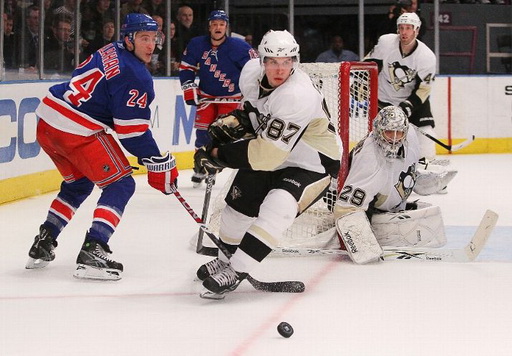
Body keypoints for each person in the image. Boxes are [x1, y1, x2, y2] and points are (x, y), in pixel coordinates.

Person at [25, 14, 179, 281]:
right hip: (75, 127)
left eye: (154, 38)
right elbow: (132, 133)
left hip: (48, 117)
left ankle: (45, 240)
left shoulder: (110, 48)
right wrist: (158, 160)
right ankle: (94, 249)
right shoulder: (137, 76)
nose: (151, 45)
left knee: (79, 184)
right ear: (129, 39)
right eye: (144, 38)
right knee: (121, 184)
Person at [193, 30, 341, 298]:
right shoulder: (250, 73)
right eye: (273, 61)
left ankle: (236, 270)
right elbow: (254, 114)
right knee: (235, 209)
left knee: (279, 206)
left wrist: (217, 154)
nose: (280, 69)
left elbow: (266, 155)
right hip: (273, 153)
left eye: (287, 61)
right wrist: (237, 122)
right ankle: (226, 258)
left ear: (295, 61)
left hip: (311, 162)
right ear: (262, 61)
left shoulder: (298, 95)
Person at [332, 106, 448, 264]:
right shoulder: (370, 159)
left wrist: (416, 178)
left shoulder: (411, 136)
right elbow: (346, 208)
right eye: (388, 132)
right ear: (379, 131)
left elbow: (403, 166)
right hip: (349, 196)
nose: (394, 138)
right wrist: (364, 246)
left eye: (399, 132)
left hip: (378, 192)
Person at [179, 10, 258, 187]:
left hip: (231, 98)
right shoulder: (197, 44)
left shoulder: (240, 47)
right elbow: (186, 67)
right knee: (201, 134)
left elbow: (254, 69)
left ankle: (214, 167)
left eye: (221, 24)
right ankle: (200, 168)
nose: (218, 27)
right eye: (214, 24)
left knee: (222, 135)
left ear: (226, 27)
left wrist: (250, 92)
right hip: (207, 97)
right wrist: (189, 87)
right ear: (209, 26)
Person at [364, 12, 441, 167]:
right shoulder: (386, 42)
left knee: (425, 131)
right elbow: (370, 64)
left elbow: (424, 90)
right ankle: (382, 169)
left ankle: (429, 168)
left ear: (416, 30)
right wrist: (361, 83)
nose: (404, 32)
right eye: (401, 28)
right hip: (384, 99)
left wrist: (408, 106)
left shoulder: (426, 57)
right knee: (382, 137)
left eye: (408, 28)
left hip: (411, 99)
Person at [16, 5, 40, 70]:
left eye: (39, 18)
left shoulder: (46, 37)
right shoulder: (20, 37)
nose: (38, 21)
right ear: (28, 20)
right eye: (35, 18)